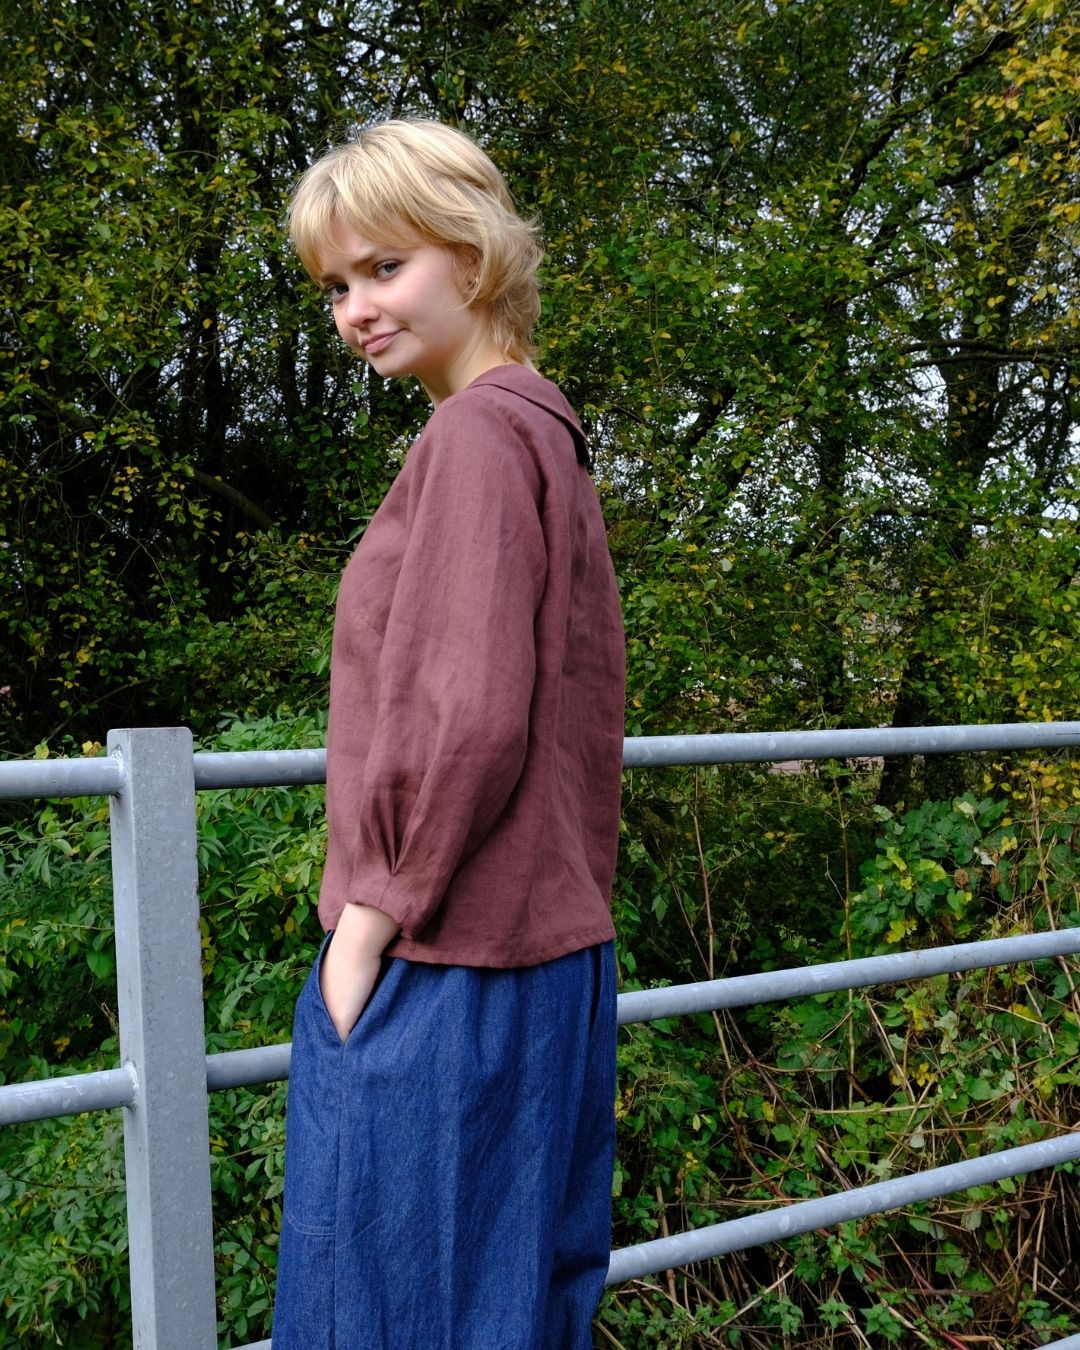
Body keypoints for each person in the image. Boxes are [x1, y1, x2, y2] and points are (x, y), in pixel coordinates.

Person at [272, 119, 625, 1350]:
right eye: (336, 285)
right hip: (549, 960)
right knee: (514, 1307)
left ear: (470, 255)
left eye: (384, 267)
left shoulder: (475, 437)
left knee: (390, 1312)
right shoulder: (546, 432)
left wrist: (368, 923)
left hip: (449, 959)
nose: (356, 308)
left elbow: (466, 714)